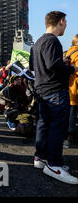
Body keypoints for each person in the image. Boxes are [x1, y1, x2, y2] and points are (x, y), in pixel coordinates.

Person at [29, 11, 78, 184]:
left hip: (41, 90)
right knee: (58, 127)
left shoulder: (38, 42)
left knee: (44, 124)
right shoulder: (52, 41)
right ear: (61, 21)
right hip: (55, 90)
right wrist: (71, 69)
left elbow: (33, 66)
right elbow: (52, 65)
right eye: (66, 22)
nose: (66, 26)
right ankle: (54, 164)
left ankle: (40, 158)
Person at [64, 34, 78, 147]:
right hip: (76, 86)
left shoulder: (68, 52)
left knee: (71, 112)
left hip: (69, 87)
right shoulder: (77, 53)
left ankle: (68, 138)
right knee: (73, 113)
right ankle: (71, 137)